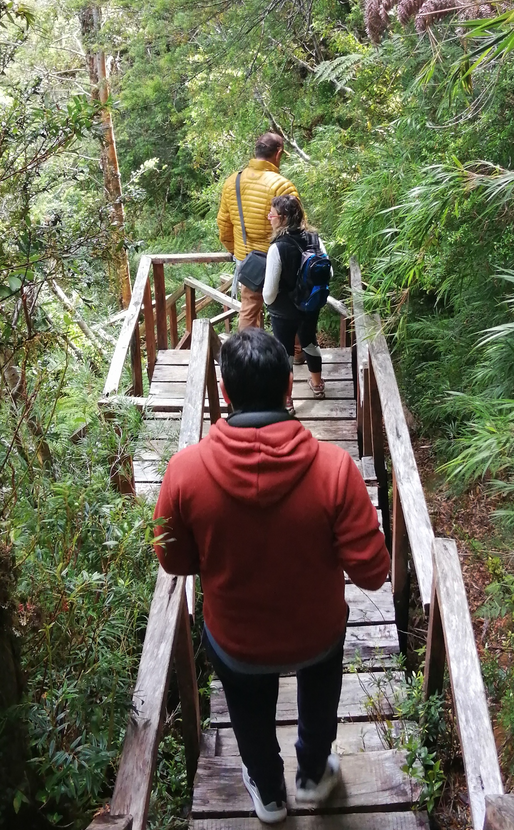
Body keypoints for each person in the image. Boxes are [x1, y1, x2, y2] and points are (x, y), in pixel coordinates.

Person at [153, 329, 389, 824]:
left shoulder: (184, 472)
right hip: (316, 631)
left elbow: (173, 561)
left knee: (247, 710)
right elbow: (372, 572)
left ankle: (268, 791)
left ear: (224, 393)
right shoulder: (335, 469)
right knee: (320, 693)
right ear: (288, 389)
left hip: (235, 639)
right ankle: (312, 774)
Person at [217, 132, 301, 331]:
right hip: (279, 259)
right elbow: (296, 228)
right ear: (278, 153)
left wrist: (237, 251)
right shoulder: (282, 185)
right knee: (291, 307)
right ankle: (297, 355)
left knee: (249, 309)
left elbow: (224, 225)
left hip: (248, 260)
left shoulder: (232, 182)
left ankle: (247, 358)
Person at [263, 195, 327, 410]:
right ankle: (317, 384)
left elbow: (269, 293)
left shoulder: (277, 247)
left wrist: (269, 302)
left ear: (282, 218)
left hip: (284, 310)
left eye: (271, 214)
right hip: (310, 305)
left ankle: (287, 400)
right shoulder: (315, 239)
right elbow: (329, 272)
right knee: (309, 341)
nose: (269, 218)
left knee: (285, 351)